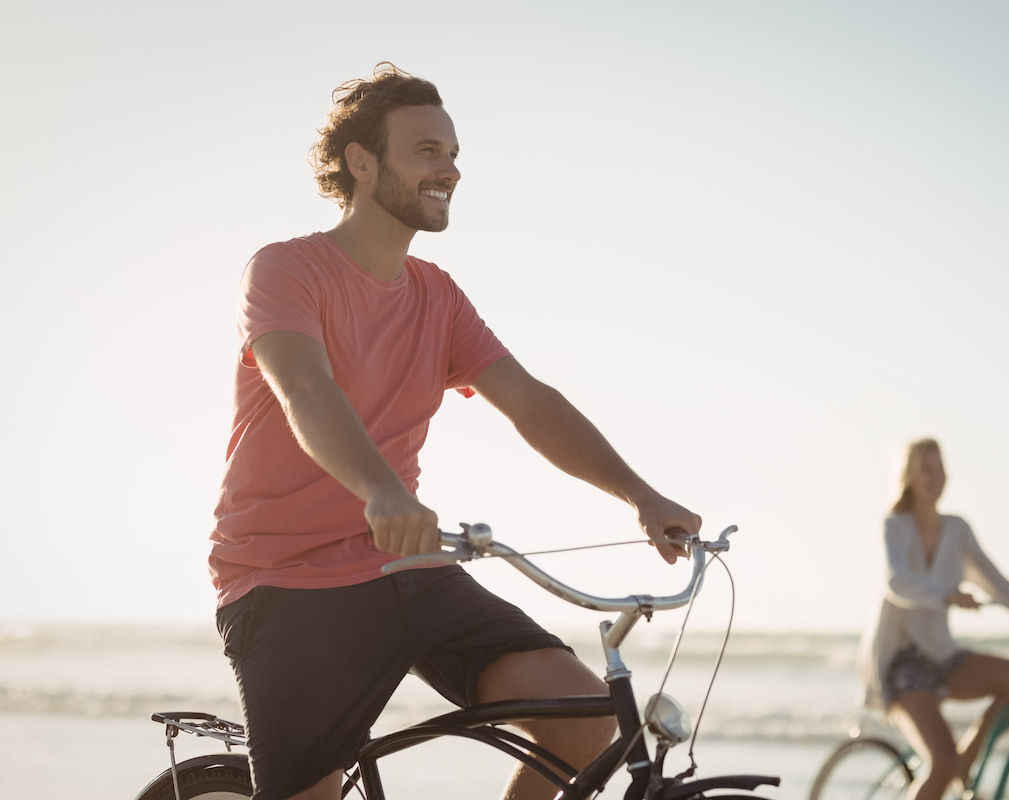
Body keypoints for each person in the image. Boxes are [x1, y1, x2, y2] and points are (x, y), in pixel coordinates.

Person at [207, 63, 702, 800]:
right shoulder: (286, 270)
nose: (452, 169)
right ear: (362, 163)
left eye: (454, 152)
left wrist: (639, 494)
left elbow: (530, 402)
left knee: (581, 720)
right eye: (429, 151)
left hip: (409, 569)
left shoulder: (436, 295)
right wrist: (379, 491)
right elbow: (304, 388)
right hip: (288, 577)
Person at [857, 438, 1009, 800]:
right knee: (941, 763)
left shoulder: (957, 530)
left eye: (940, 467)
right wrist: (946, 594)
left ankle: (967, 760)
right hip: (902, 663)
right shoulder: (895, 526)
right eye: (926, 469)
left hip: (942, 655)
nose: (936, 476)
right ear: (910, 477)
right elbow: (895, 581)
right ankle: (952, 767)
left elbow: (1001, 589)